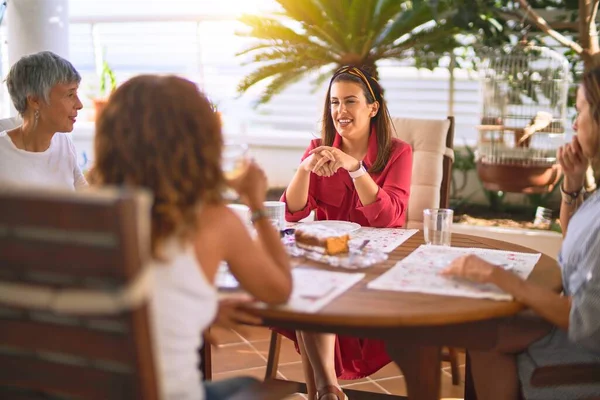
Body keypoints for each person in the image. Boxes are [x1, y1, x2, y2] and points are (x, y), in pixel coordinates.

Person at [90, 74, 293, 400]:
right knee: (265, 391)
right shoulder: (214, 221)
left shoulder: (86, 217)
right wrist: (256, 203)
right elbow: (280, 289)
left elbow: (132, 296)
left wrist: (200, 307)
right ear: (199, 142)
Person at [442, 67, 600, 400]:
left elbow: (586, 320)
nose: (574, 123)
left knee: (486, 337)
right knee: (483, 331)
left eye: (581, 111)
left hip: (586, 351)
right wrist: (572, 185)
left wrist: (499, 277)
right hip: (575, 327)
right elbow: (577, 241)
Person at [281, 66, 413, 400]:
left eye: (350, 101)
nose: (340, 111)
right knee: (310, 279)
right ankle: (328, 389)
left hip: (380, 260)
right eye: (334, 102)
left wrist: (354, 167)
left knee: (312, 284)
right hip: (331, 254)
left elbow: (388, 218)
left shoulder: (398, 152)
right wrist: (304, 168)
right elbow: (291, 212)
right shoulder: (318, 147)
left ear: (373, 107)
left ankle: (322, 393)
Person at [0, 51, 86, 189]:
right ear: (35, 100)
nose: (79, 104)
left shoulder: (64, 145)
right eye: (70, 94)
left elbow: (86, 200)